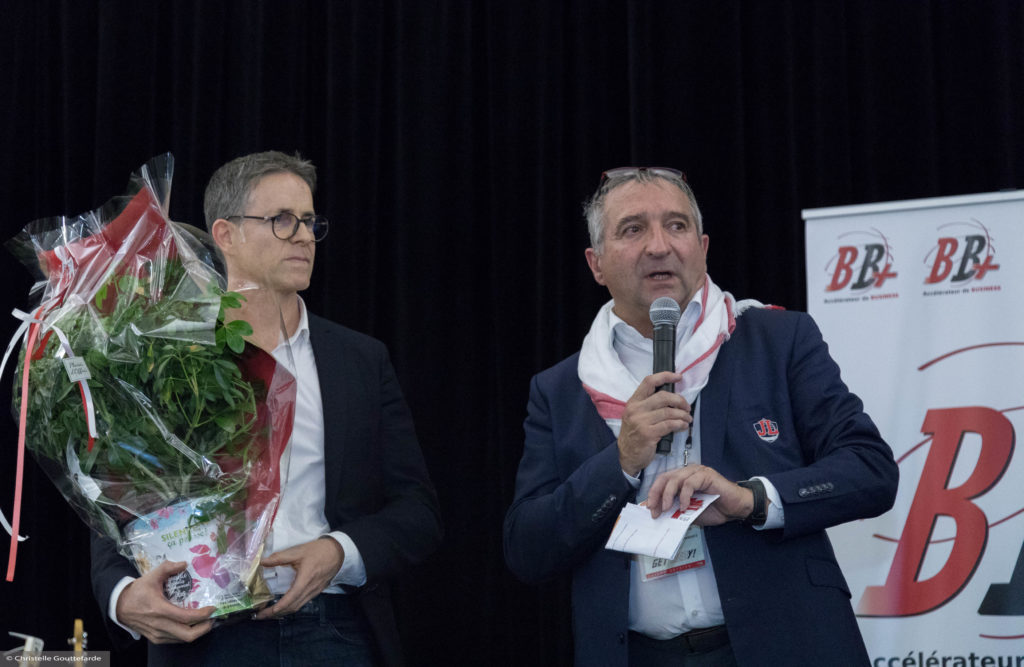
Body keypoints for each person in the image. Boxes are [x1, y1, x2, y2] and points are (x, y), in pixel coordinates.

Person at [503, 167, 898, 666]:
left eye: (677, 225)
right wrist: (620, 461)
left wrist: (750, 500)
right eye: (633, 229)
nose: (659, 246)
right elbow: (528, 550)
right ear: (596, 263)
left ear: (703, 247)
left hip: (786, 644)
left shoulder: (778, 340)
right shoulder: (561, 389)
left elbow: (870, 470)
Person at [90, 150, 443, 666]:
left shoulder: (361, 360)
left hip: (336, 630)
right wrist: (123, 597)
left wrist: (339, 552)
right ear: (226, 234)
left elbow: (418, 512)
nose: (304, 236)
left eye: (309, 221)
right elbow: (115, 504)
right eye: (282, 220)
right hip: (203, 636)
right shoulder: (166, 355)